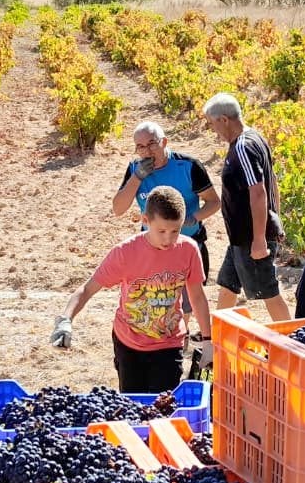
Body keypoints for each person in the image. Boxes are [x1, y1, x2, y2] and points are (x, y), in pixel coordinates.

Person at [50, 186, 213, 393]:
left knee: (161, 407)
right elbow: (87, 289)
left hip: (169, 343)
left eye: (175, 231)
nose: (168, 239)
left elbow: (197, 297)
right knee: (132, 406)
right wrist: (65, 319)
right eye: (161, 231)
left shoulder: (188, 249)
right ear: (145, 220)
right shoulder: (125, 253)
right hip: (129, 344)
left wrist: (208, 341)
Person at [201, 92, 290, 322]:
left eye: (212, 124)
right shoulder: (254, 138)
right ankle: (217, 340)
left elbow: (259, 192)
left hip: (252, 239)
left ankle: (292, 340)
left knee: (269, 292)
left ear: (224, 119)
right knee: (228, 286)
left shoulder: (243, 147)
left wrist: (260, 239)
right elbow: (273, 183)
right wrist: (276, 219)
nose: (213, 130)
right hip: (240, 239)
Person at [110, 120, 220, 301]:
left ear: (164, 142)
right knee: (155, 302)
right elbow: (118, 209)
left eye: (152, 144)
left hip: (189, 244)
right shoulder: (134, 170)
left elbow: (214, 202)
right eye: (140, 147)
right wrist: (137, 178)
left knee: (187, 303)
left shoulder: (189, 166)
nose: (147, 151)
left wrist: (192, 218)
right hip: (152, 250)